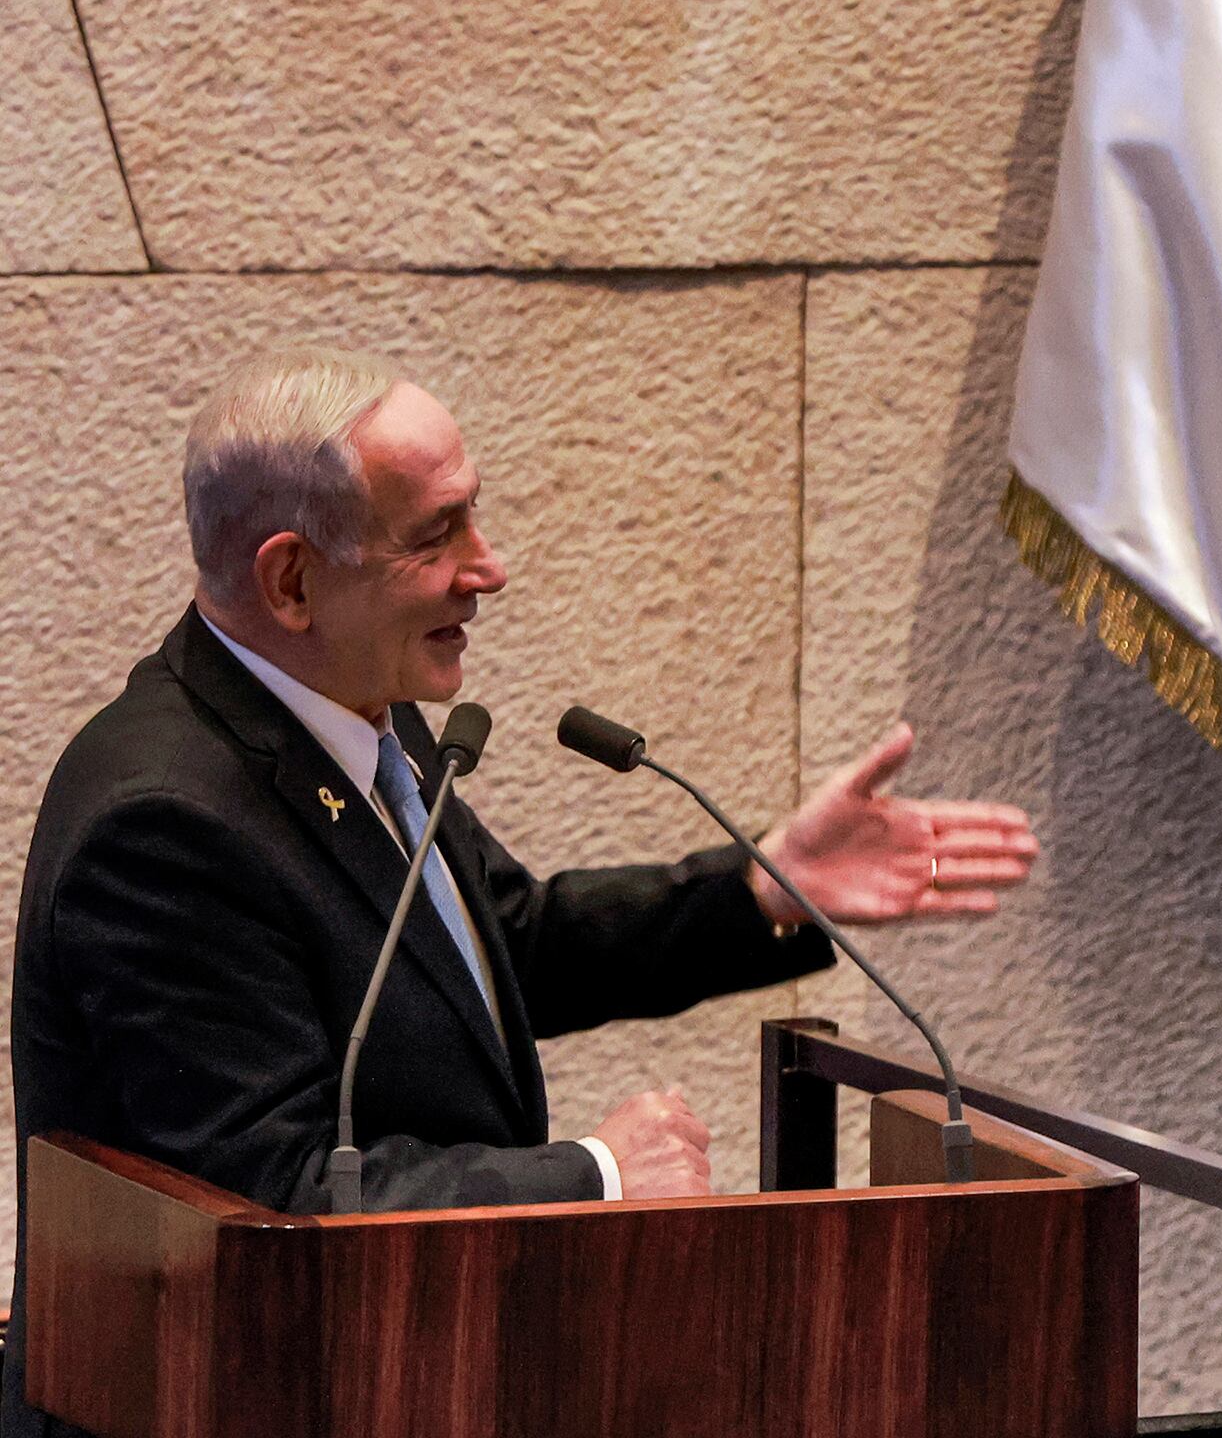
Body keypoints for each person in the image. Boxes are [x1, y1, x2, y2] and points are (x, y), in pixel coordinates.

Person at [6, 348, 1039, 1435]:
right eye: (435, 534)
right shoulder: (165, 823)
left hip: (408, 1371)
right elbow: (281, 1195)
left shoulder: (353, 706)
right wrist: (595, 1173)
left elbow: (502, 948)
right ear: (293, 581)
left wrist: (761, 888)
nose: (487, 567)